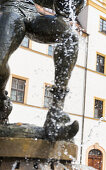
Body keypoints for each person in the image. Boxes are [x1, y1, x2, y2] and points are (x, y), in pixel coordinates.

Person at [0, 0, 84, 140]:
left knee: (70, 36)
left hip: (33, 14)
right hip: (11, 9)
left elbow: (65, 9)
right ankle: (2, 101)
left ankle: (55, 113)